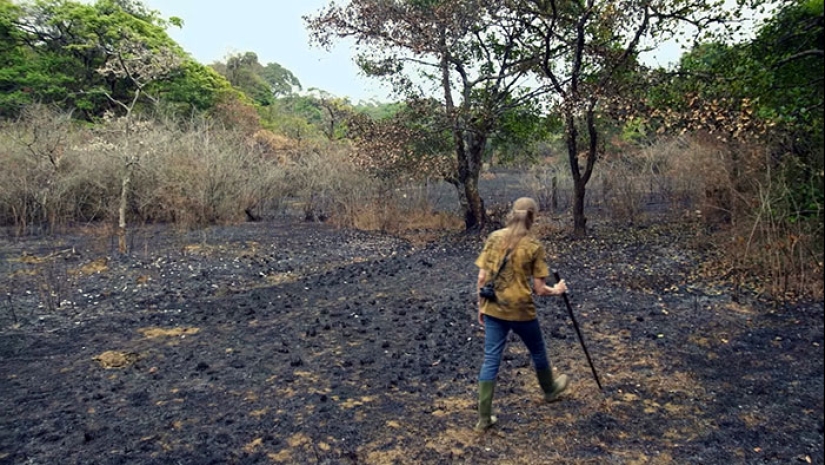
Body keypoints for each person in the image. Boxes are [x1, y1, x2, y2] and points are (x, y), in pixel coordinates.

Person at [473, 197, 570, 432]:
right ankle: (549, 390)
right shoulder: (533, 246)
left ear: (511, 213)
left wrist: (481, 306)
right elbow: (539, 289)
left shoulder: (495, 237)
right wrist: (556, 290)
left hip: (495, 308)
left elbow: (482, 278)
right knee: (537, 349)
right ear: (533, 217)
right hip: (521, 311)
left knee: (491, 358)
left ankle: (484, 417)